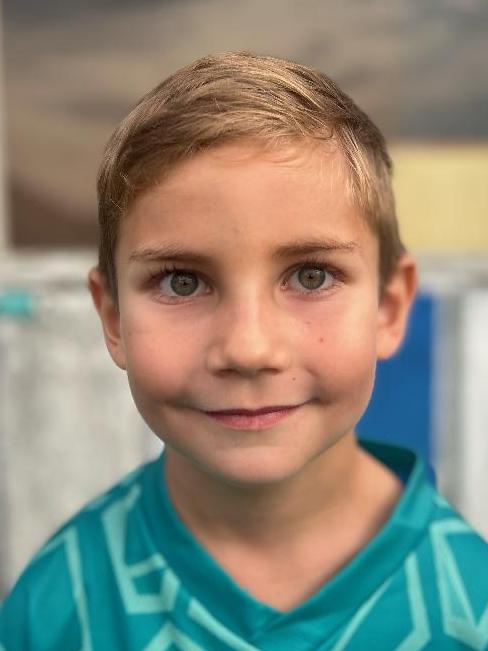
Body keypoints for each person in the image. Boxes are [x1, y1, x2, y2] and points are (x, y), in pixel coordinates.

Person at [1, 51, 487, 650]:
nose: (249, 348)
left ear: (388, 307)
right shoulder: (57, 610)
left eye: (311, 276)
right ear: (114, 318)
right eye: (183, 282)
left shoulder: (471, 608)